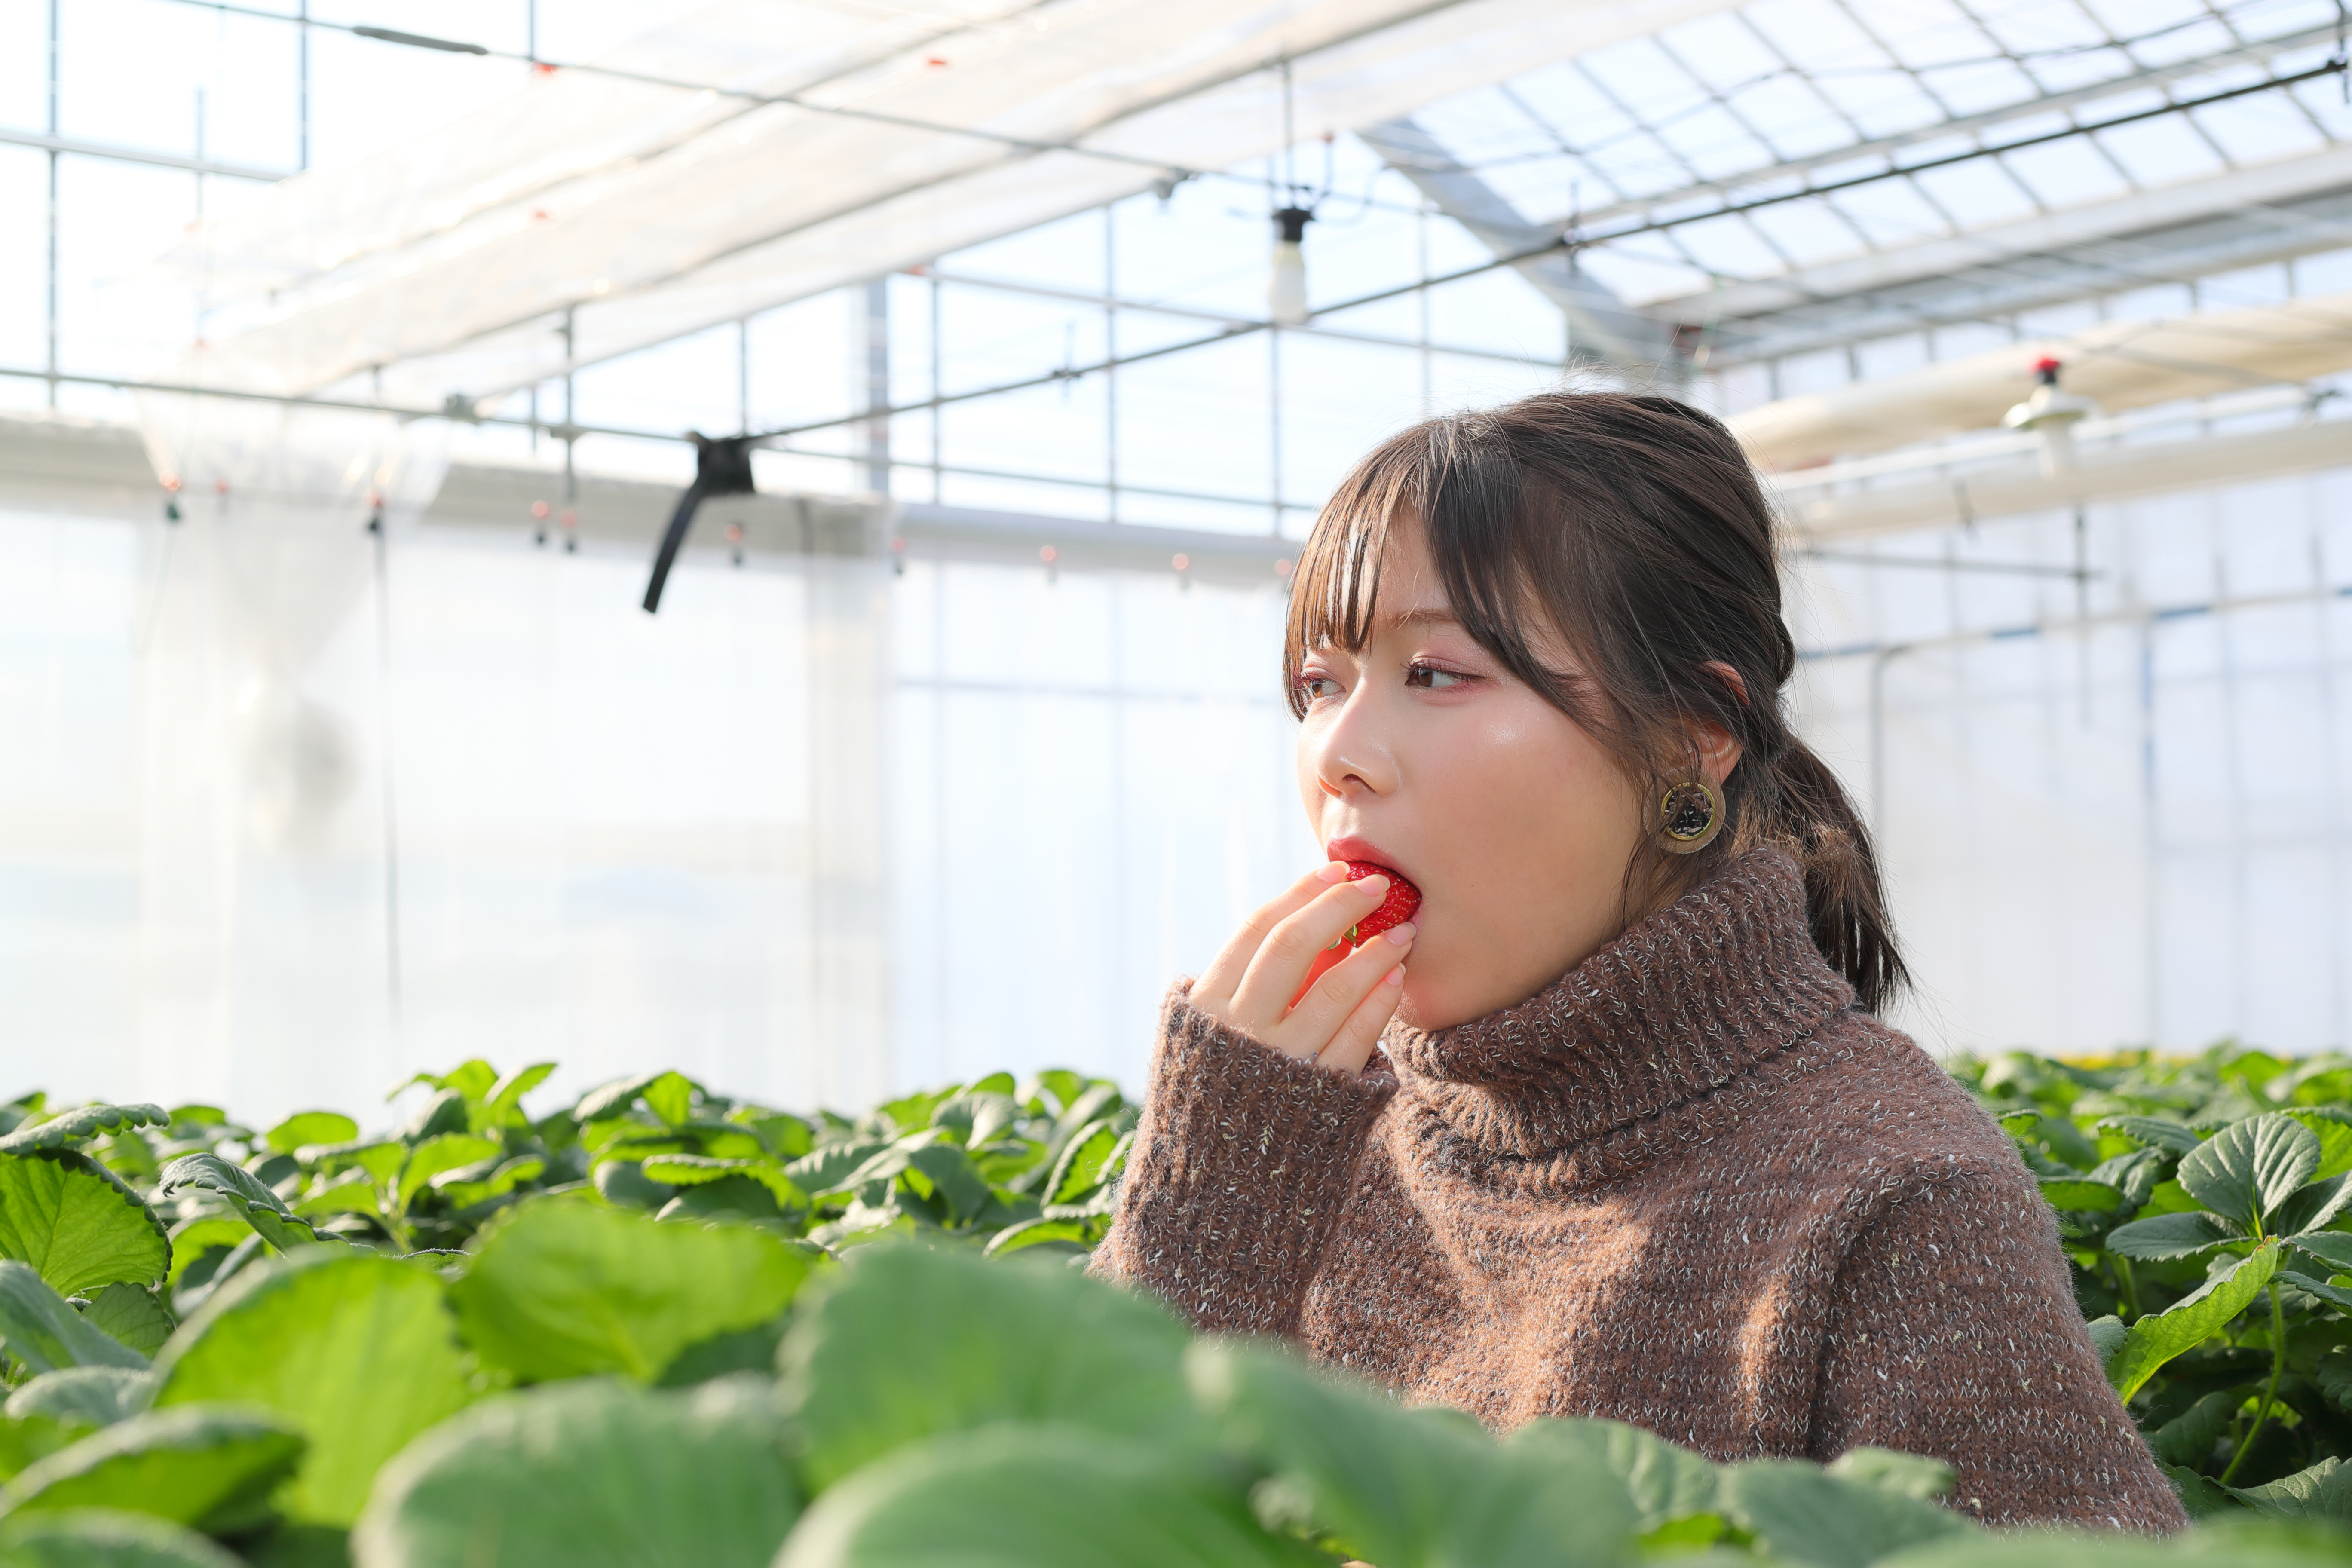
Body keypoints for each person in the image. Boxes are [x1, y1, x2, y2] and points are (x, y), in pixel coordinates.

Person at [1092, 392, 2184, 1532]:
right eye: (1321, 684)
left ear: (1690, 736)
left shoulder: (1894, 1196)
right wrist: (1199, 1220)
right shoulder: (1305, 1140)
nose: (1342, 757)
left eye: (1439, 673)